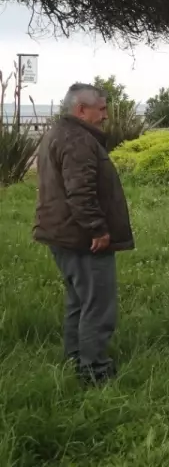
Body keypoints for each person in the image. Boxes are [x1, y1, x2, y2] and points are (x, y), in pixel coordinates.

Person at [32, 83, 133, 386]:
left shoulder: (60, 132)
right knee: (97, 305)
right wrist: (97, 229)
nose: (105, 115)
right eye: (100, 109)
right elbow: (80, 192)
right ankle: (94, 371)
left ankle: (76, 358)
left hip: (62, 233)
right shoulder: (77, 140)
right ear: (81, 110)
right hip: (81, 238)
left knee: (79, 301)